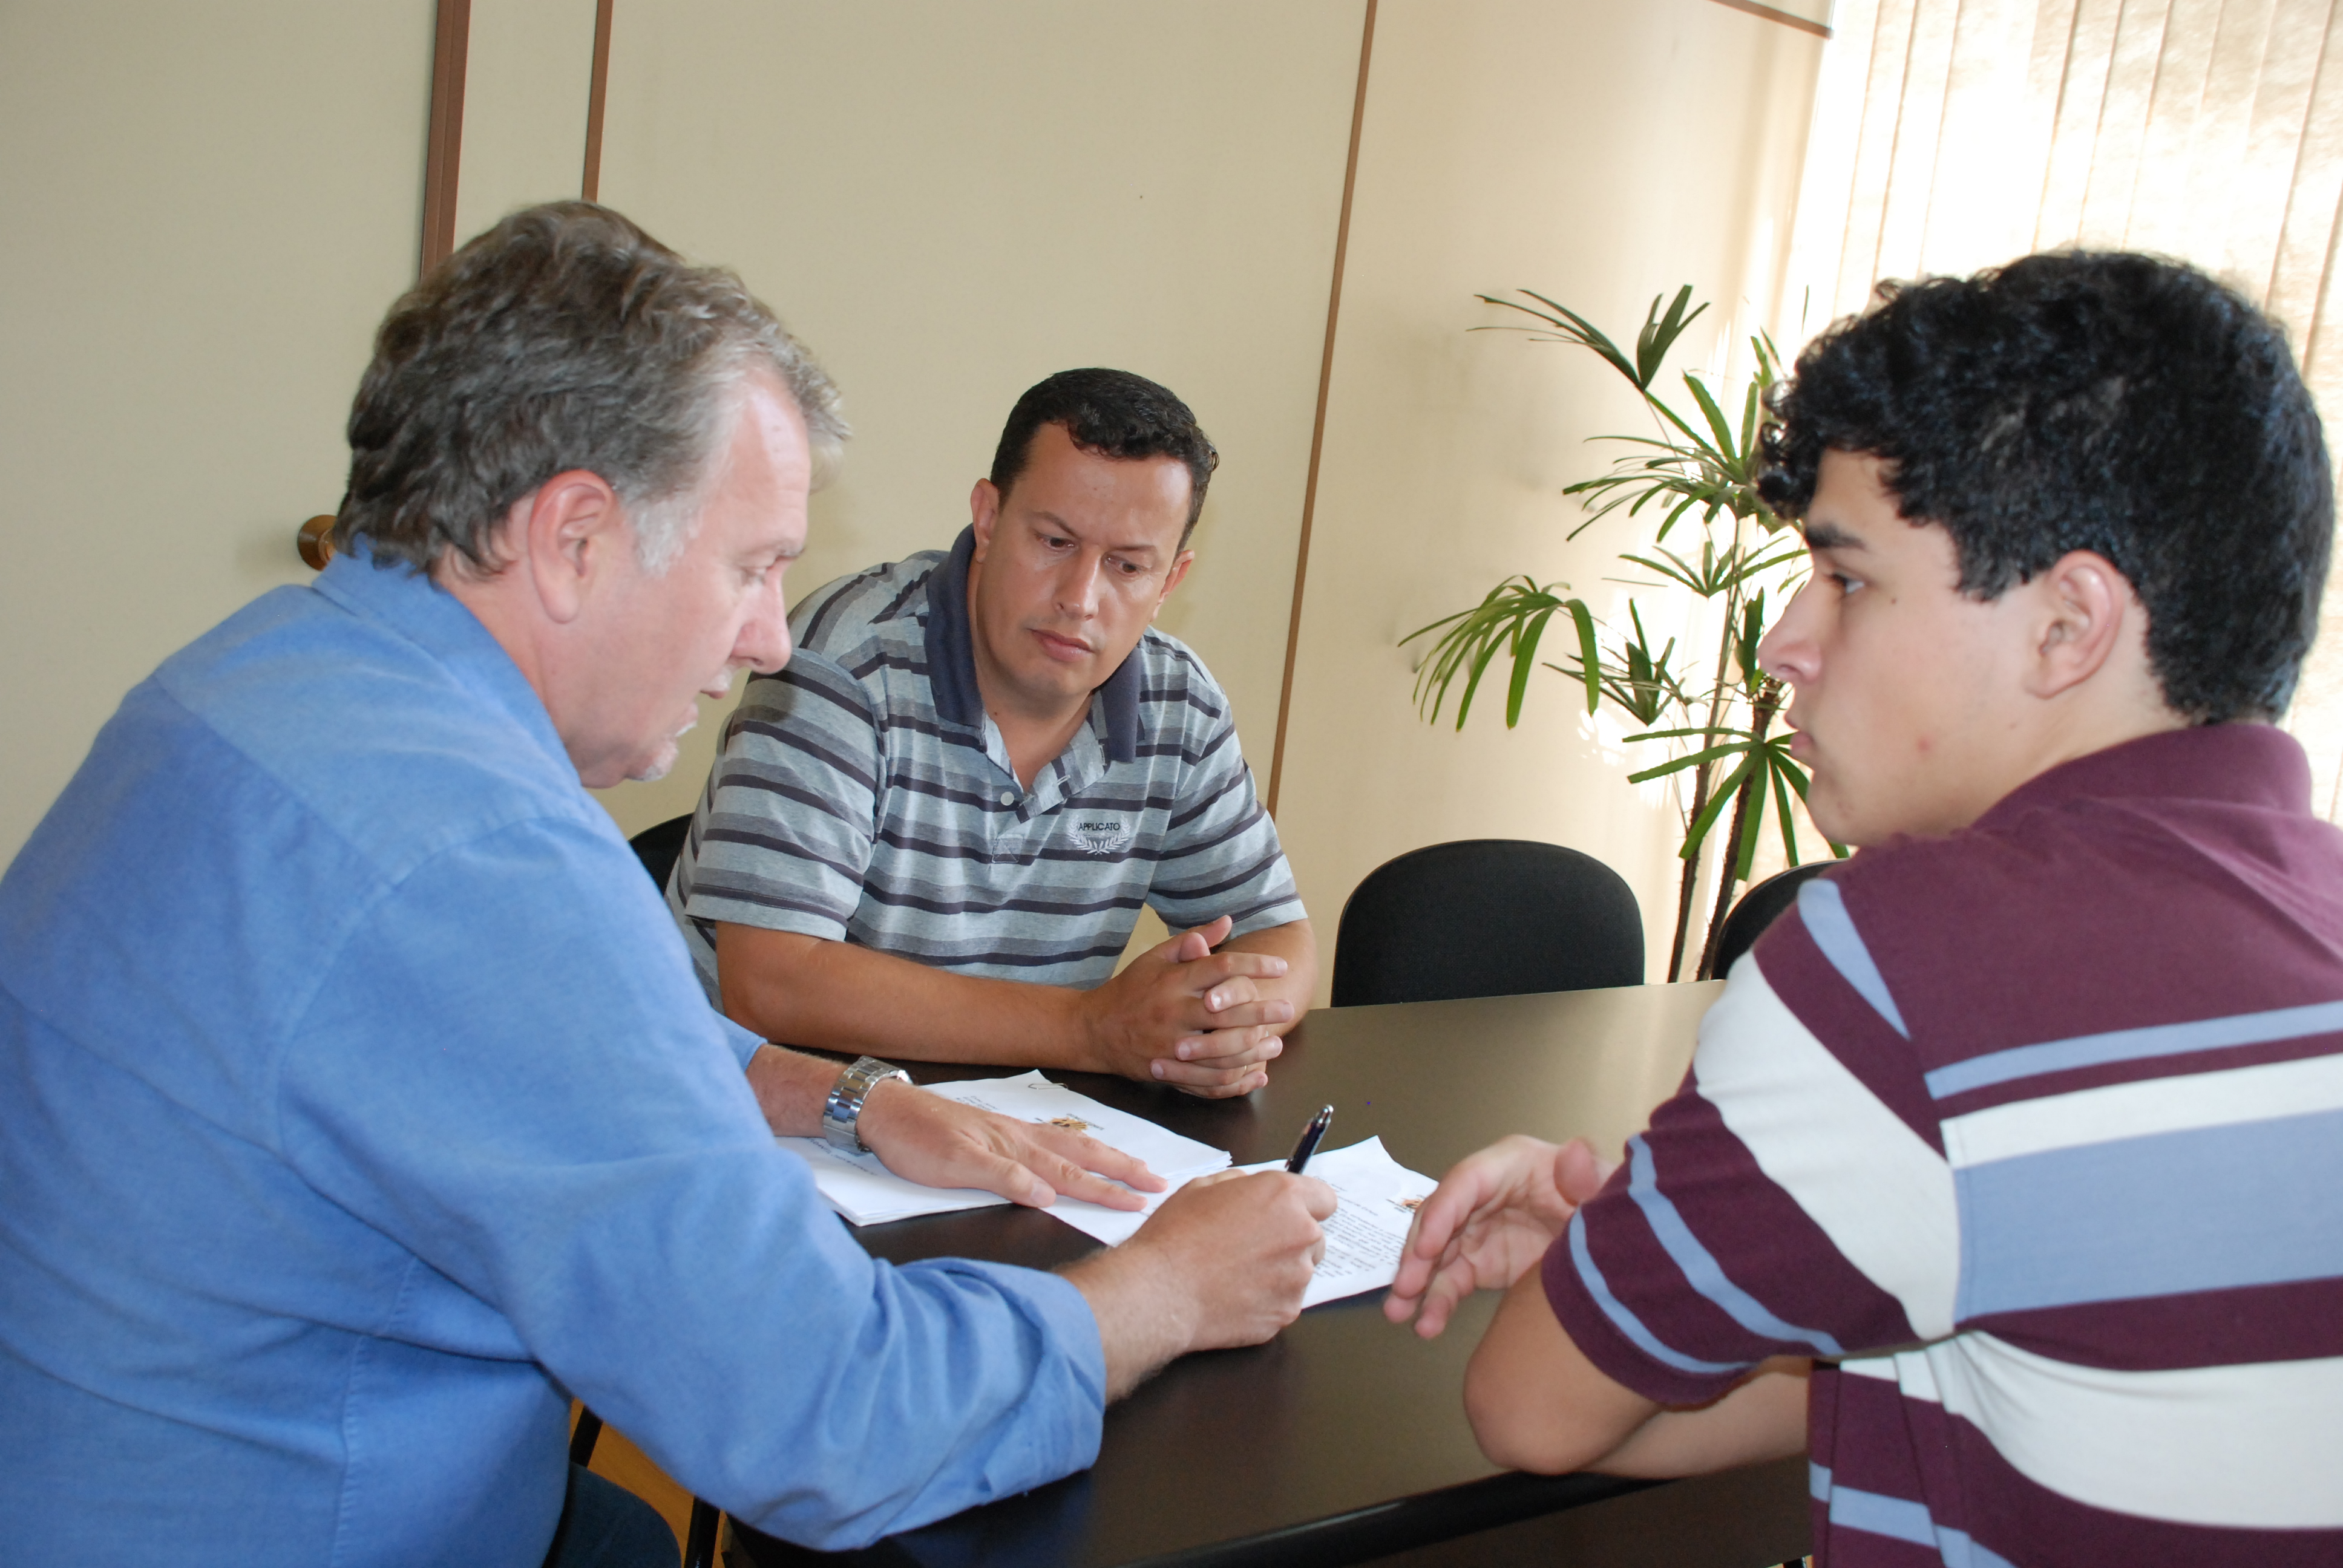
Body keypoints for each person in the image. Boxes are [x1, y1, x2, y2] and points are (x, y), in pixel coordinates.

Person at [0, 203, 1335, 1568]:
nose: (768, 637)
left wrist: (841, 1094)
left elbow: (489, 1030)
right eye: (753, 567)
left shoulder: (259, 680)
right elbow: (831, 1416)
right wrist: (1166, 1288)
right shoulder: (488, 857)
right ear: (576, 537)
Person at [1384, 251, 2343, 1563]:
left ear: (2069, 625)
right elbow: (2031, 1358)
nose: (1785, 638)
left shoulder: (1916, 959)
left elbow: (1527, 1410)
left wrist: (1603, 1270)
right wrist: (1709, 1251)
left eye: (1846, 578)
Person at [666, 368, 1314, 1099]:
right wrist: (1090, 1030)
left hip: (1022, 1123)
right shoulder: (842, 661)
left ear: (1170, 582)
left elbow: (1277, 939)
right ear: (987, 514)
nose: (1080, 599)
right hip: (768, 1115)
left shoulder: (1179, 703)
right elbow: (771, 983)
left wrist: (1220, 1024)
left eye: (1128, 566)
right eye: (1054, 542)